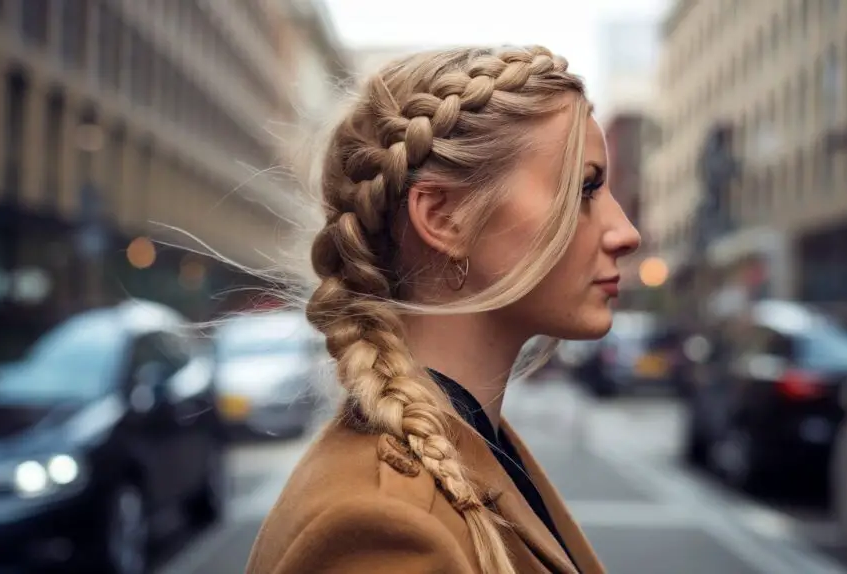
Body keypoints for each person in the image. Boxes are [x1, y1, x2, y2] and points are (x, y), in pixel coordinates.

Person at [245, 45, 640, 574]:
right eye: (583, 189)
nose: (626, 233)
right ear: (443, 217)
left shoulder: (475, 446)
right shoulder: (386, 534)